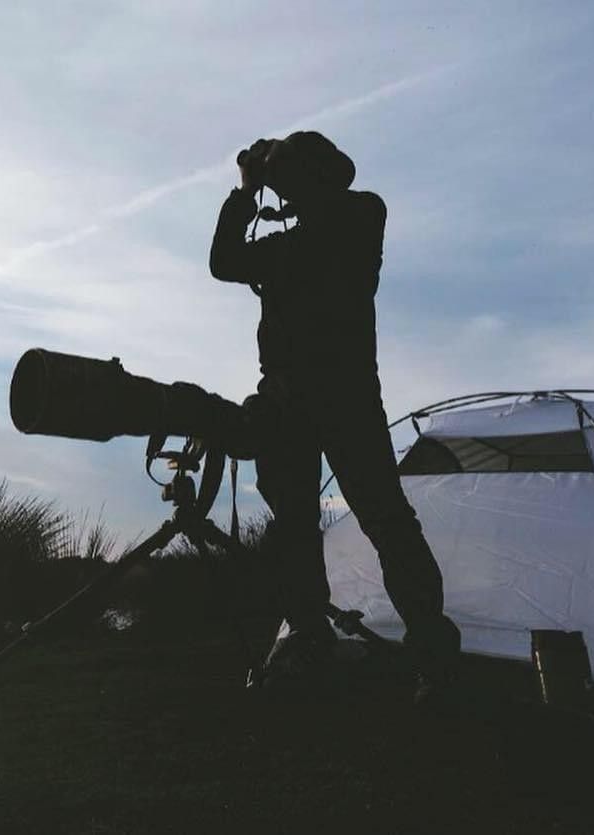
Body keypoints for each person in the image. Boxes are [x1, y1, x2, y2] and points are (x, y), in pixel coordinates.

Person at [209, 131, 460, 698]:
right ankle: (308, 636)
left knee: (385, 519)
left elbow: (292, 241)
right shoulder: (292, 241)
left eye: (291, 175)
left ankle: (431, 648)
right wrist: (247, 192)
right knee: (295, 525)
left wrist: (262, 183)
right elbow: (222, 261)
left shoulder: (360, 215)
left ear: (317, 176)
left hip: (346, 395)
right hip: (288, 402)